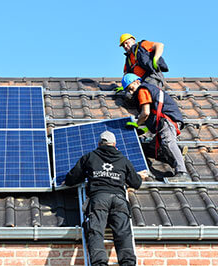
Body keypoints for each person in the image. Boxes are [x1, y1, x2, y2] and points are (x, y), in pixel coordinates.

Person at [65, 131, 146, 266]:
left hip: (99, 199)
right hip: (119, 199)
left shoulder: (90, 157)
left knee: (95, 231)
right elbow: (136, 183)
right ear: (115, 145)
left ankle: (99, 263)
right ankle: (128, 262)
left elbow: (72, 178)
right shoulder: (123, 159)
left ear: (99, 144)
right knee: (123, 233)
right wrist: (135, 176)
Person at [121, 73, 191, 182]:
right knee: (150, 149)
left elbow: (145, 113)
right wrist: (144, 128)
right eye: (128, 90)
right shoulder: (148, 90)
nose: (131, 92)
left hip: (167, 120)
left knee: (168, 143)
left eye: (131, 88)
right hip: (165, 122)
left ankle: (182, 173)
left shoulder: (142, 90)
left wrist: (137, 124)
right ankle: (176, 156)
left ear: (137, 82)